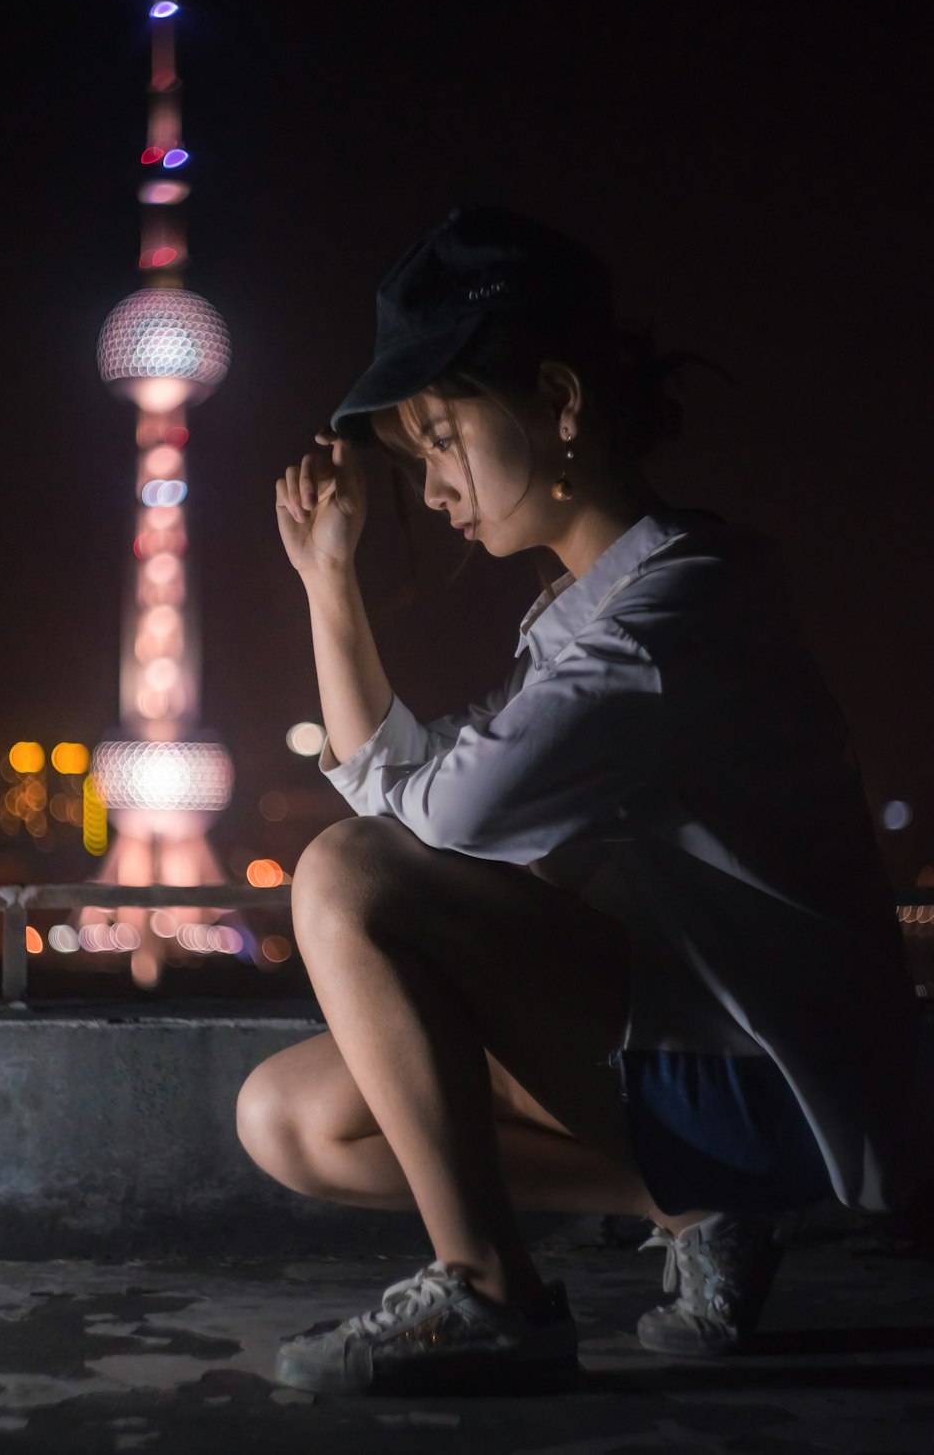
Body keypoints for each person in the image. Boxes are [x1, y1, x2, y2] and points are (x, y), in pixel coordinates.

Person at [236, 206, 919, 1396]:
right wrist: (325, 579)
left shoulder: (667, 621)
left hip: (777, 1080)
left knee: (348, 869)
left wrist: (393, 807)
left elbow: (421, 830)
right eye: (419, 459)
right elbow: (418, 792)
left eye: (443, 440)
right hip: (688, 1047)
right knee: (290, 1120)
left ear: (556, 404)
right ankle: (689, 1208)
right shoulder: (582, 619)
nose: (435, 488)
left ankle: (493, 1294)